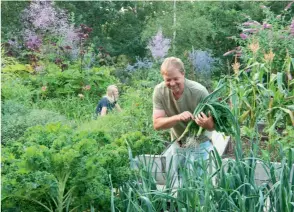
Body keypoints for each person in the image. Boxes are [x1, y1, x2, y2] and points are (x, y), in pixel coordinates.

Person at [152, 57, 215, 187]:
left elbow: (212, 126)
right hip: (178, 143)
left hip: (201, 144)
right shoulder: (159, 91)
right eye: (168, 80)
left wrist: (205, 123)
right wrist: (177, 117)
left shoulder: (199, 91)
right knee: (181, 186)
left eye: (176, 79)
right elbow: (157, 124)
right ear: (163, 78)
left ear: (183, 74)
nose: (172, 83)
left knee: (201, 186)